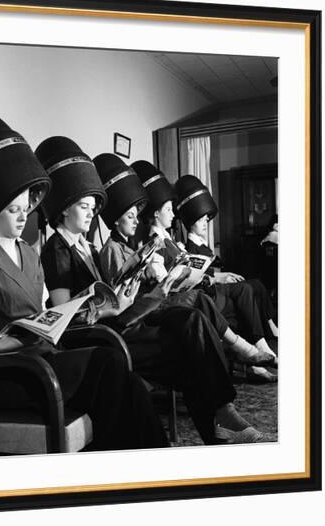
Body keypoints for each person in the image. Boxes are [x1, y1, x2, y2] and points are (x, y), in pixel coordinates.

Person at [0, 111, 168, 451]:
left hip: (47, 359)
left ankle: (153, 471)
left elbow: (49, 312)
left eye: (25, 208)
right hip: (17, 374)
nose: (22, 217)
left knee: (131, 384)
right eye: (12, 210)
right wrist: (19, 343)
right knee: (109, 365)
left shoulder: (31, 256)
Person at [36, 142, 265, 444]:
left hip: (120, 322)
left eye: (94, 208)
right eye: (84, 207)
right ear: (64, 208)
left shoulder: (87, 248)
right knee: (189, 338)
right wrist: (108, 307)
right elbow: (63, 314)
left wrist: (125, 290)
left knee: (191, 322)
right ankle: (220, 423)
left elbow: (105, 293)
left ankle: (221, 420)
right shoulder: (56, 251)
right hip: (103, 336)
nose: (92, 214)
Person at [132, 162, 276, 382]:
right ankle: (253, 352)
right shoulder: (155, 242)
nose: (173, 214)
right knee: (242, 292)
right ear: (156, 214)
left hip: (195, 289)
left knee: (246, 288)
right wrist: (189, 274)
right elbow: (163, 281)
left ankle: (256, 350)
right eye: (169, 209)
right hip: (184, 297)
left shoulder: (169, 239)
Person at [174, 175, 278, 381]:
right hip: (206, 292)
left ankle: (264, 338)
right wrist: (219, 275)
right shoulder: (187, 247)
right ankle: (260, 346)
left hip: (213, 286)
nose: (206, 223)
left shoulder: (202, 245)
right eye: (202, 220)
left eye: (206, 220)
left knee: (253, 284)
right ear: (192, 221)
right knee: (246, 289)